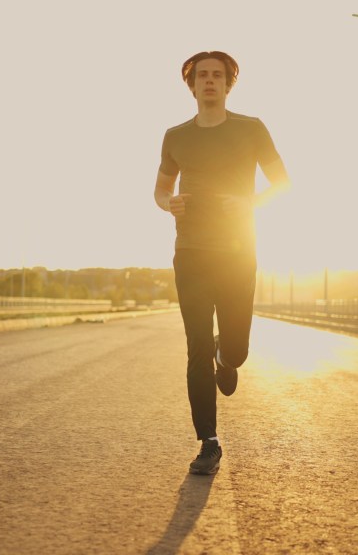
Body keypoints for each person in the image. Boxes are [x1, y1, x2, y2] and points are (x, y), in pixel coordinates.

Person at [153, 50, 291, 475]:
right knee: (195, 347)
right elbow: (160, 190)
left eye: (217, 75)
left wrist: (248, 201)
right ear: (191, 85)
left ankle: (225, 356)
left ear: (229, 84)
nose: (209, 81)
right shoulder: (175, 136)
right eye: (202, 76)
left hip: (237, 251)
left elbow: (282, 183)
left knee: (237, 347)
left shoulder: (251, 128)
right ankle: (208, 443)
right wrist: (168, 203)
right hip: (191, 251)